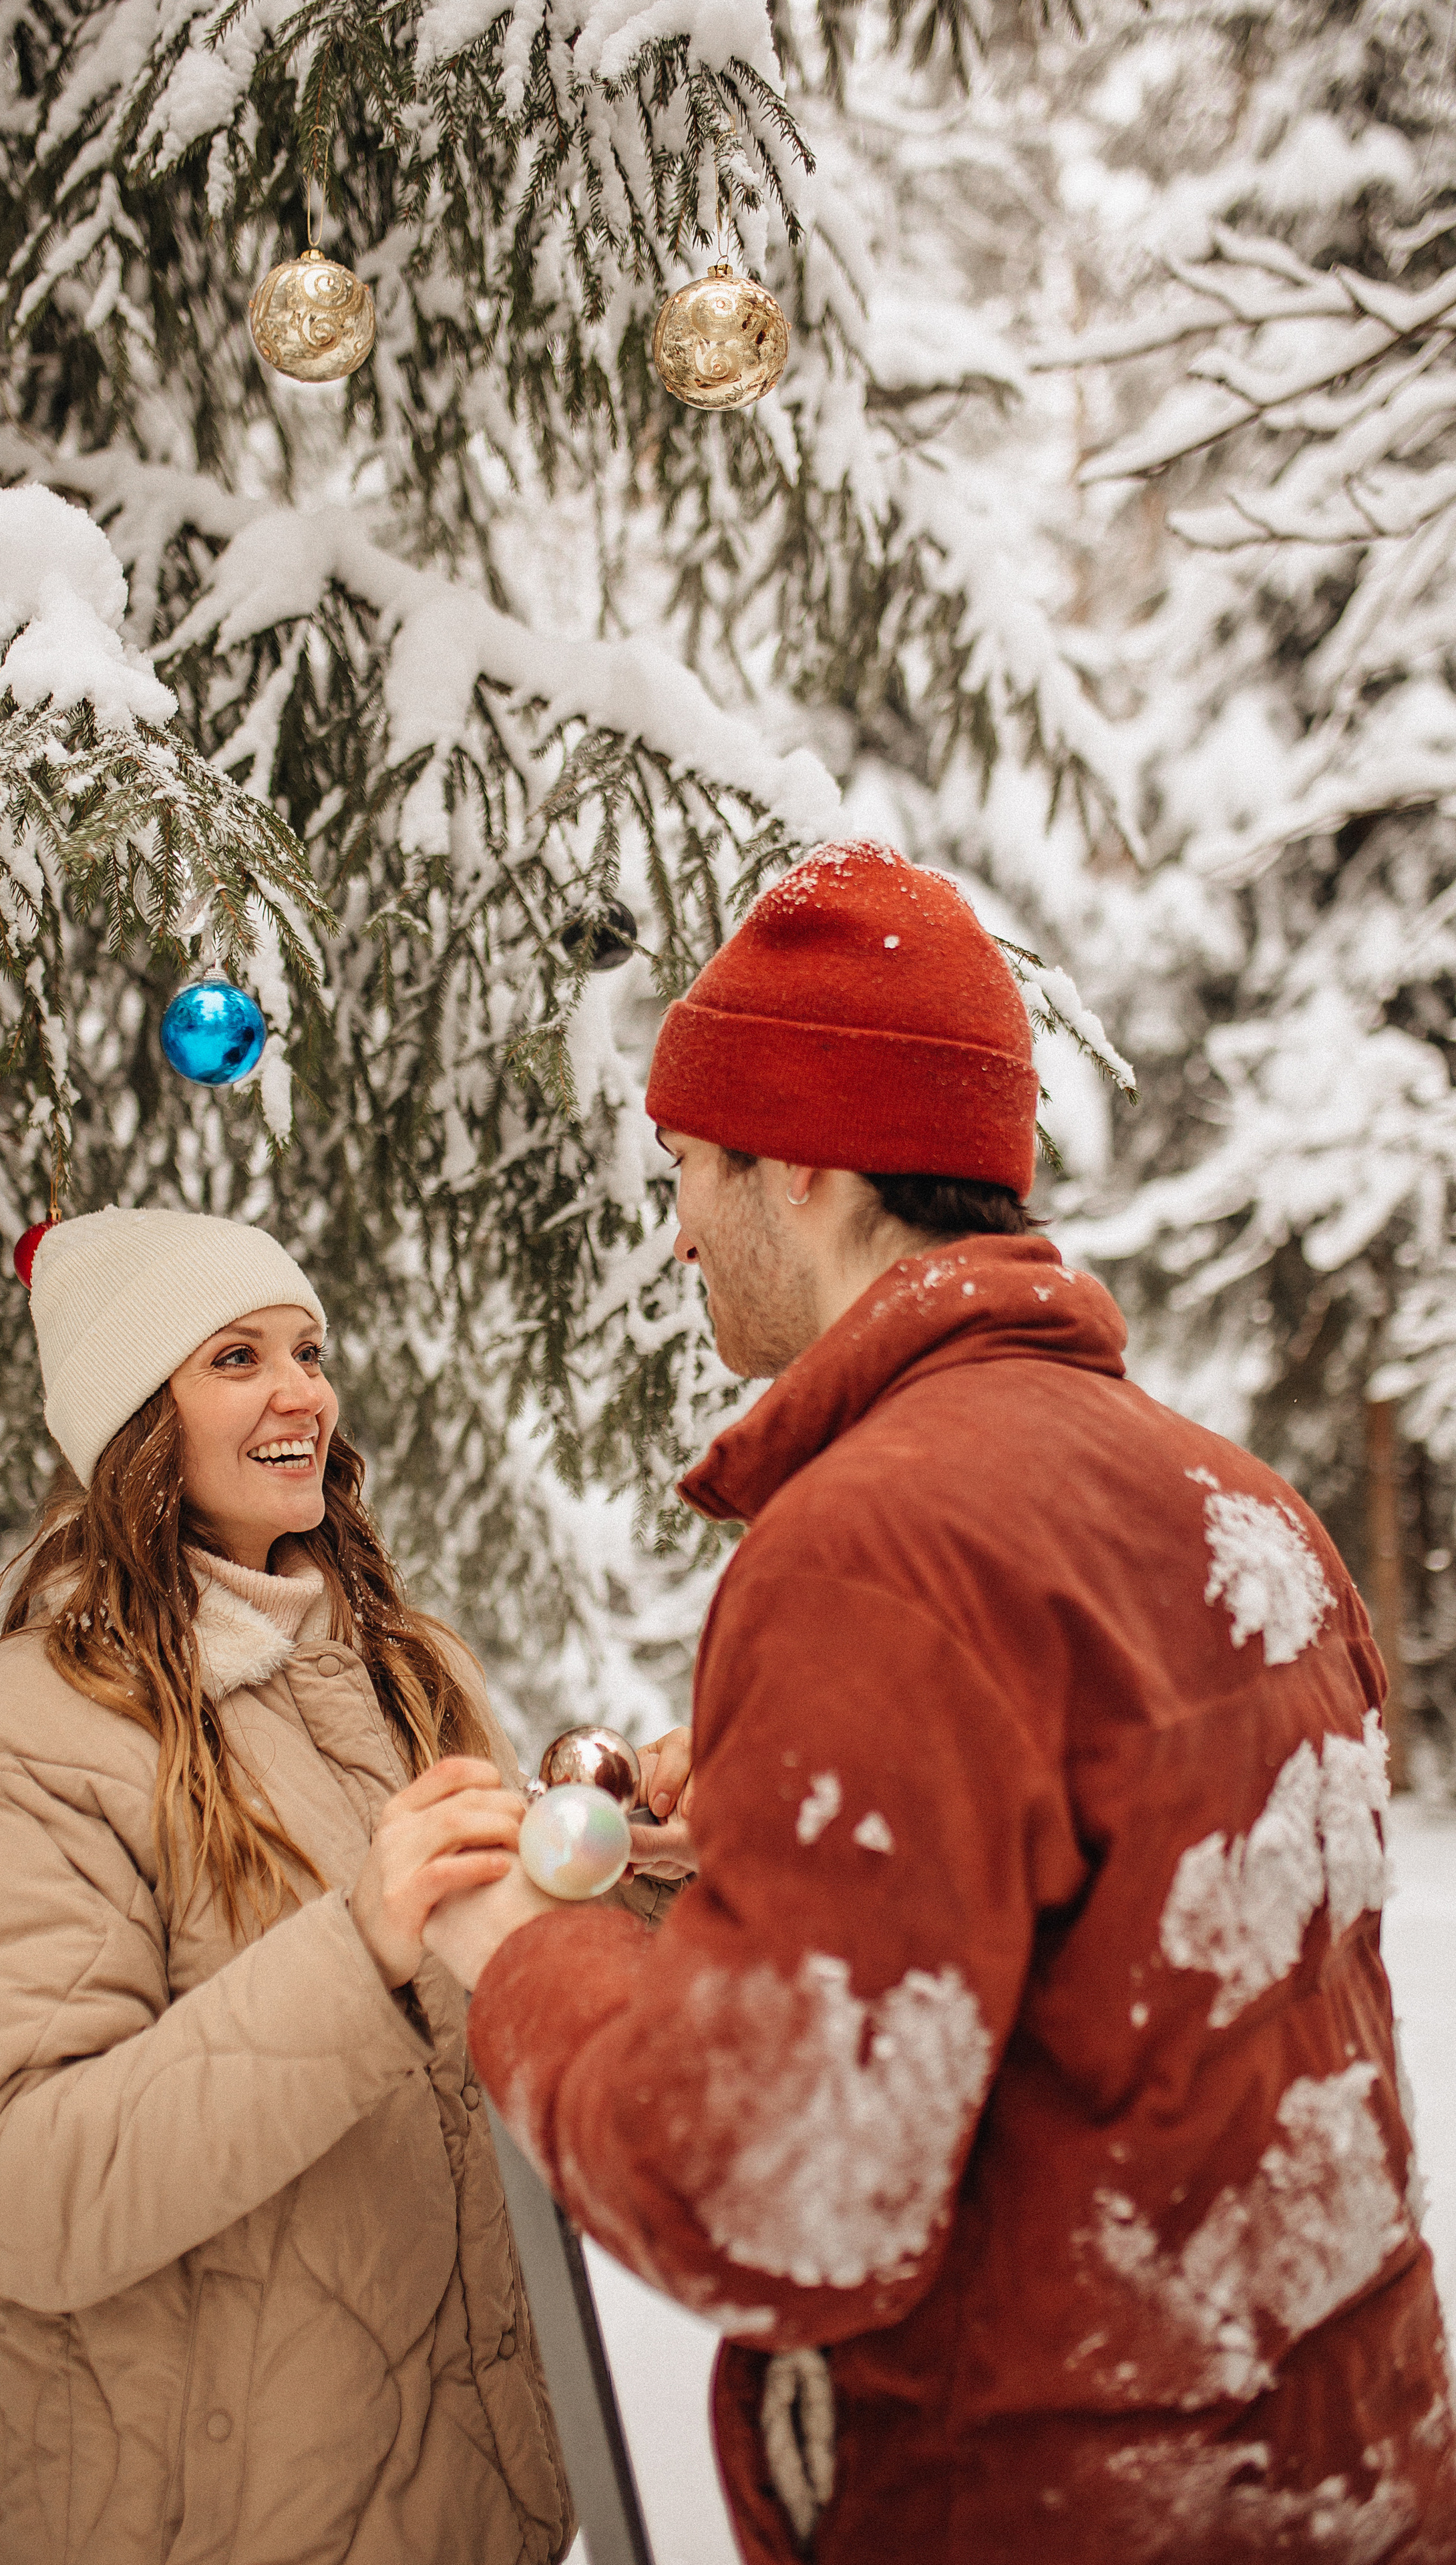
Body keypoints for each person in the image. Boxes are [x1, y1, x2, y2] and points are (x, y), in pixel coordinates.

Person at [425, 841, 1456, 2564]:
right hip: (1343, 2477)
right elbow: (1129, 1980)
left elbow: (771, 2199)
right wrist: (776, 1826)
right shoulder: (1233, 1501)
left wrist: (517, 1941)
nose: (672, 1229)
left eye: (688, 1165)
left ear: (803, 1164)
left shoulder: (873, 1546)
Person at [0, 1206, 591, 2565]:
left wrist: (635, 1872)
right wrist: (360, 1951)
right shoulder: (25, 1733)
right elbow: (21, 2195)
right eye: (235, 1357)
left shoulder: (406, 1670)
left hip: (477, 2507)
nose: (301, 1392)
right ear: (137, 1419)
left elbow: (510, 2001)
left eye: (308, 1349)